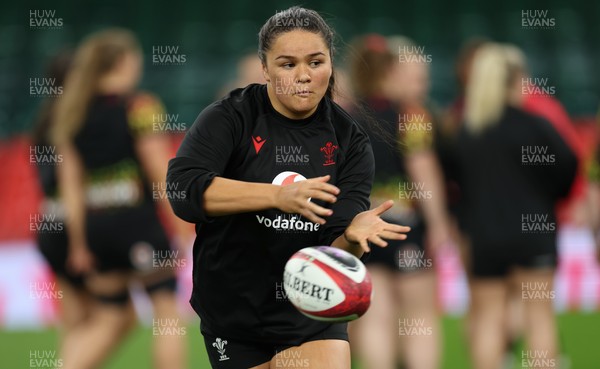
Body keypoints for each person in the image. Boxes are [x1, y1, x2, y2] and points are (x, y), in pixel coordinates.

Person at [166, 7, 410, 369]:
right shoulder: (228, 117)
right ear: (265, 69)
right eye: (287, 64)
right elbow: (182, 191)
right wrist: (277, 196)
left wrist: (353, 239)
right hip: (234, 308)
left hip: (309, 309)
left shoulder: (350, 141)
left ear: (331, 64)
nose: (304, 76)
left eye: (315, 62)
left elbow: (334, 247)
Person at [51, 28, 189, 369]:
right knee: (167, 314)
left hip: (97, 230)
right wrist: (184, 227)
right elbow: (160, 173)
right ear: (124, 62)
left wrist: (79, 244)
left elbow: (70, 188)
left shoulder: (72, 113)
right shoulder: (140, 106)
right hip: (139, 226)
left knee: (111, 316)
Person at [453, 42, 577, 369]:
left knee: (489, 318)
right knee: (539, 317)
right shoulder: (536, 126)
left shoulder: (468, 131)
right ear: (516, 79)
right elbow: (567, 171)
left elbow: (457, 185)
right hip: (533, 235)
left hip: (485, 237)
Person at [346, 34, 448, 369]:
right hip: (407, 228)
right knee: (420, 319)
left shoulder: (344, 118)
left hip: (365, 229)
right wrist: (439, 224)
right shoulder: (411, 115)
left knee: (376, 319)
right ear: (392, 69)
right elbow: (424, 173)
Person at [32, 49, 136, 369]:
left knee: (77, 322)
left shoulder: (46, 120)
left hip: (49, 224)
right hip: (76, 223)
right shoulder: (78, 119)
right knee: (119, 317)